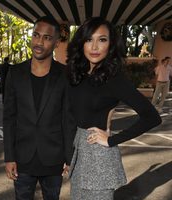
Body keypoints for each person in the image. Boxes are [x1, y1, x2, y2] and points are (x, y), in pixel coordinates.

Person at [66, 17, 162, 200]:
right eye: (89, 39)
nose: (94, 47)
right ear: (81, 43)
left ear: (110, 45)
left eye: (102, 40)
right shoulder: (77, 74)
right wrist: (68, 156)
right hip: (78, 155)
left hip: (99, 159)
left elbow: (151, 117)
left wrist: (112, 140)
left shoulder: (114, 78)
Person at [3, 16, 76, 200]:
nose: (39, 42)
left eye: (47, 37)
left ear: (56, 42)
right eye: (36, 35)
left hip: (53, 158)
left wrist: (69, 157)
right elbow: (9, 118)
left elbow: (68, 119)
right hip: (22, 159)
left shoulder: (65, 75)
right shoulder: (15, 73)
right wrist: (9, 157)